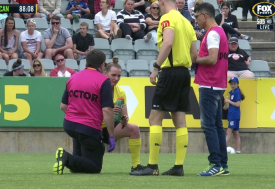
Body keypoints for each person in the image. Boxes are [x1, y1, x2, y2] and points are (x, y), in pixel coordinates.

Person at [130, 0, 197, 176]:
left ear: (162, 2)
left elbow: (167, 43)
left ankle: (152, 166)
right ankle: (178, 167)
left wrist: (156, 67)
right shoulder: (186, 22)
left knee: (154, 118)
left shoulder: (167, 19)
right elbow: (194, 54)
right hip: (184, 73)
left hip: (170, 72)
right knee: (180, 121)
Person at [73, 57, 145, 174]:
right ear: (105, 73)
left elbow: (124, 118)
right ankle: (69, 158)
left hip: (110, 128)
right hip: (93, 128)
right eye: (113, 75)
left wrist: (124, 119)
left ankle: (136, 166)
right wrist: (109, 111)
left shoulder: (120, 92)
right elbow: (89, 112)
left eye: (119, 76)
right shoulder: (95, 88)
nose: (116, 79)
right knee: (85, 166)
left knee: (134, 129)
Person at [53, 50, 116, 175]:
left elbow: (63, 106)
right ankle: (66, 157)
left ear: (86, 62)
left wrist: (76, 118)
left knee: (82, 156)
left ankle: (70, 161)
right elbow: (107, 110)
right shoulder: (104, 81)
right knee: (94, 167)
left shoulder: (73, 77)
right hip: (89, 128)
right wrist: (111, 135)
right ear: (102, 65)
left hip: (70, 125)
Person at [193, 2, 229, 176]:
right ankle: (223, 164)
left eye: (197, 16)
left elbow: (212, 58)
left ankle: (215, 163)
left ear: (205, 15)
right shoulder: (219, 31)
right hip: (217, 82)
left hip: (210, 83)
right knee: (216, 126)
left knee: (208, 125)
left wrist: (195, 59)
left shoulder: (213, 33)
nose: (196, 20)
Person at [223, 77, 244, 155]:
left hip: (234, 115)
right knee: (235, 132)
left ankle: (223, 148)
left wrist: (228, 101)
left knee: (229, 131)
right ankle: (238, 150)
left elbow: (237, 104)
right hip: (232, 114)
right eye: (231, 84)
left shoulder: (236, 92)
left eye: (234, 84)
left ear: (237, 84)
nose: (232, 85)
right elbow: (233, 105)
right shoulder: (232, 92)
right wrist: (227, 107)